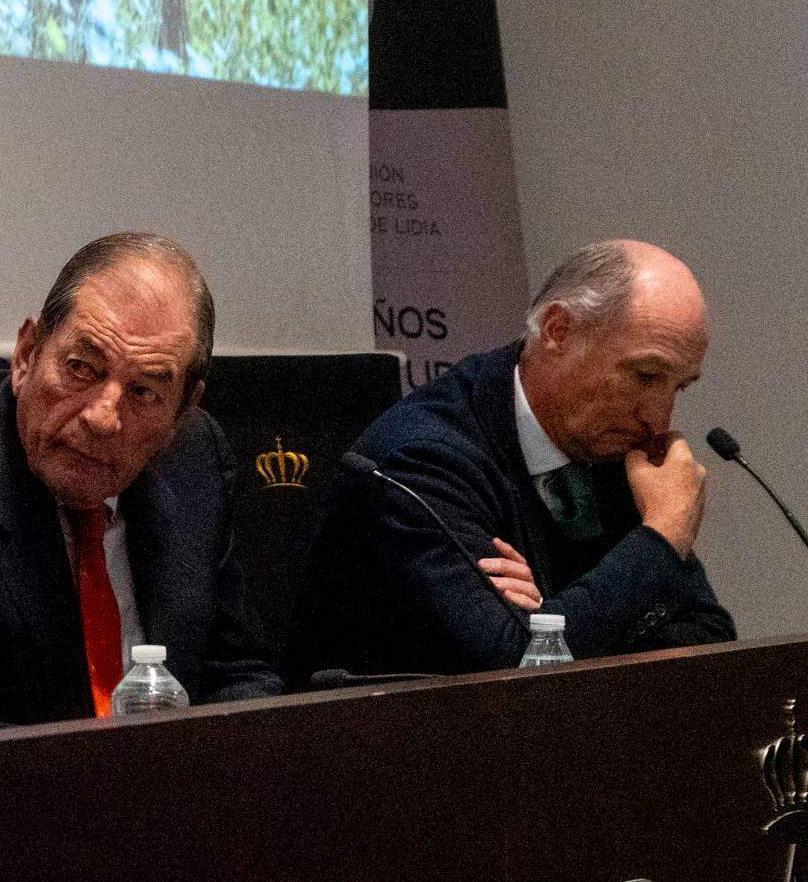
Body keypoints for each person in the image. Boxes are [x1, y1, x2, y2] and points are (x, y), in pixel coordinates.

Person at [0, 232, 284, 729]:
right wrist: (76, 769)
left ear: (183, 412)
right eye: (81, 368)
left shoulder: (196, 462)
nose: (103, 417)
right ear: (26, 354)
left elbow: (237, 672)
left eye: (143, 392)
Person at [295, 239, 734, 678]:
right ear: (558, 331)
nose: (658, 418)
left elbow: (708, 633)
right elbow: (519, 673)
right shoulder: (423, 461)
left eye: (679, 387)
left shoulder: (609, 443)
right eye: (645, 375)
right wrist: (663, 536)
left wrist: (552, 614)